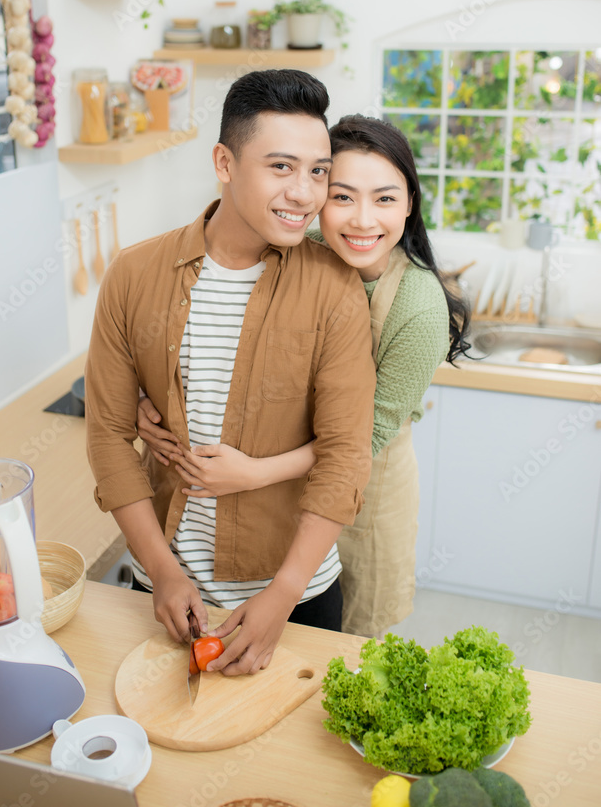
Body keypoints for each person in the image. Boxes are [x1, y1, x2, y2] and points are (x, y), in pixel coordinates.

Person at [85, 70, 376, 676]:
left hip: (297, 597)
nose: (305, 193)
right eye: (281, 167)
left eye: (319, 171)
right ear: (224, 162)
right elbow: (109, 434)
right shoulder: (134, 275)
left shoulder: (335, 288)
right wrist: (162, 573)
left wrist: (283, 595)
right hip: (163, 590)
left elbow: (346, 453)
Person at [138, 115, 471, 639]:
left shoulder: (419, 305)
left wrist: (254, 473)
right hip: (284, 499)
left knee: (340, 648)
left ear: (410, 203)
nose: (363, 220)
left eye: (384, 199)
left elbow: (363, 439)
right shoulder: (297, 247)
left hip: (368, 497)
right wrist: (148, 398)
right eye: (342, 196)